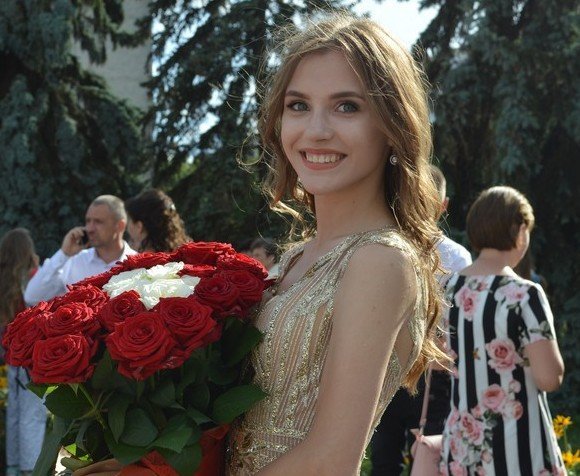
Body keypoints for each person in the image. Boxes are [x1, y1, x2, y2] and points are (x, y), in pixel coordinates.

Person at [75, 13, 447, 476]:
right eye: (298, 105)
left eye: (347, 106)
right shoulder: (296, 256)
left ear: (392, 126)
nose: (316, 129)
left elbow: (332, 460)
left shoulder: (381, 260)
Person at [440, 186, 565, 475]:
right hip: (519, 449)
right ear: (519, 231)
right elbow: (548, 378)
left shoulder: (450, 289)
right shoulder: (524, 294)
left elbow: (442, 359)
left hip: (463, 448)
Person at [371, 164, 472, 475]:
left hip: (425, 372)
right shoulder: (385, 248)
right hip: (397, 368)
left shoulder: (455, 258)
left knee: (417, 458)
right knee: (394, 458)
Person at [24, 195, 136, 304]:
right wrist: (64, 253)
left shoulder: (137, 264)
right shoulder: (73, 261)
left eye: (98, 222)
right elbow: (32, 297)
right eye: (88, 221)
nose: (90, 229)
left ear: (120, 225)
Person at [0, 229, 47, 476]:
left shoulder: (3, 280)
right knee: (33, 414)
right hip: (30, 357)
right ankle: (31, 470)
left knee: (15, 413)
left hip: (11, 355)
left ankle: (14, 467)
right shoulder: (32, 278)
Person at [124, 188, 190, 252]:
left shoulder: (140, 258)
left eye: (129, 220)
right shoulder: (185, 253)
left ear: (139, 226)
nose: (127, 228)